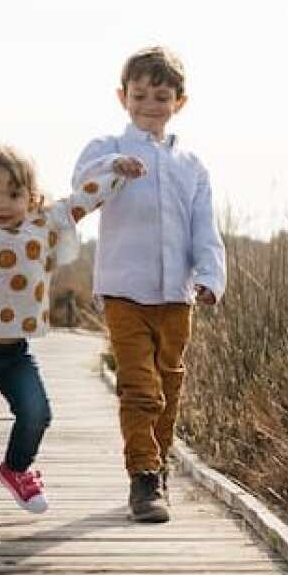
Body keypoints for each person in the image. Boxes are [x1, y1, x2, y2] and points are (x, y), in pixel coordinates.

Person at [0, 139, 142, 523]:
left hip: (14, 353)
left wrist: (116, 171)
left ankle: (16, 469)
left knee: (37, 413)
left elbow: (83, 200)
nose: (2, 203)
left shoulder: (44, 225)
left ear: (31, 196)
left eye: (14, 193)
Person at [73, 46, 226, 523]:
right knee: (140, 385)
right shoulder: (105, 150)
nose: (150, 106)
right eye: (140, 95)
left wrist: (210, 275)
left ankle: (158, 466)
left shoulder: (191, 166)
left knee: (169, 384)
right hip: (124, 288)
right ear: (123, 97)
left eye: (161, 97)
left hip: (176, 295)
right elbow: (80, 187)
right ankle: (142, 477)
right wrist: (114, 169)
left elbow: (205, 226)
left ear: (179, 101)